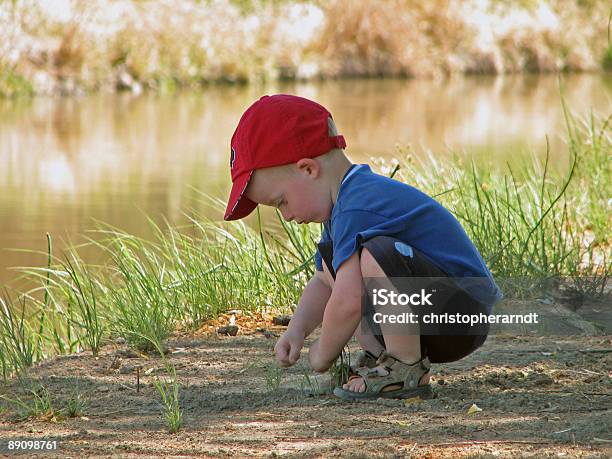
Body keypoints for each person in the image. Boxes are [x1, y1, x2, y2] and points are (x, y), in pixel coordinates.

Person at [224, 94, 501, 400]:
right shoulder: (341, 211)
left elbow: (347, 302)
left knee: (373, 255)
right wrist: (297, 330)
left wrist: (322, 354)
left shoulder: (359, 206)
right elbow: (324, 282)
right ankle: (378, 360)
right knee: (340, 265)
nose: (286, 215)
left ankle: (405, 368)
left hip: (462, 313)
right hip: (432, 312)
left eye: (281, 202)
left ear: (307, 169)